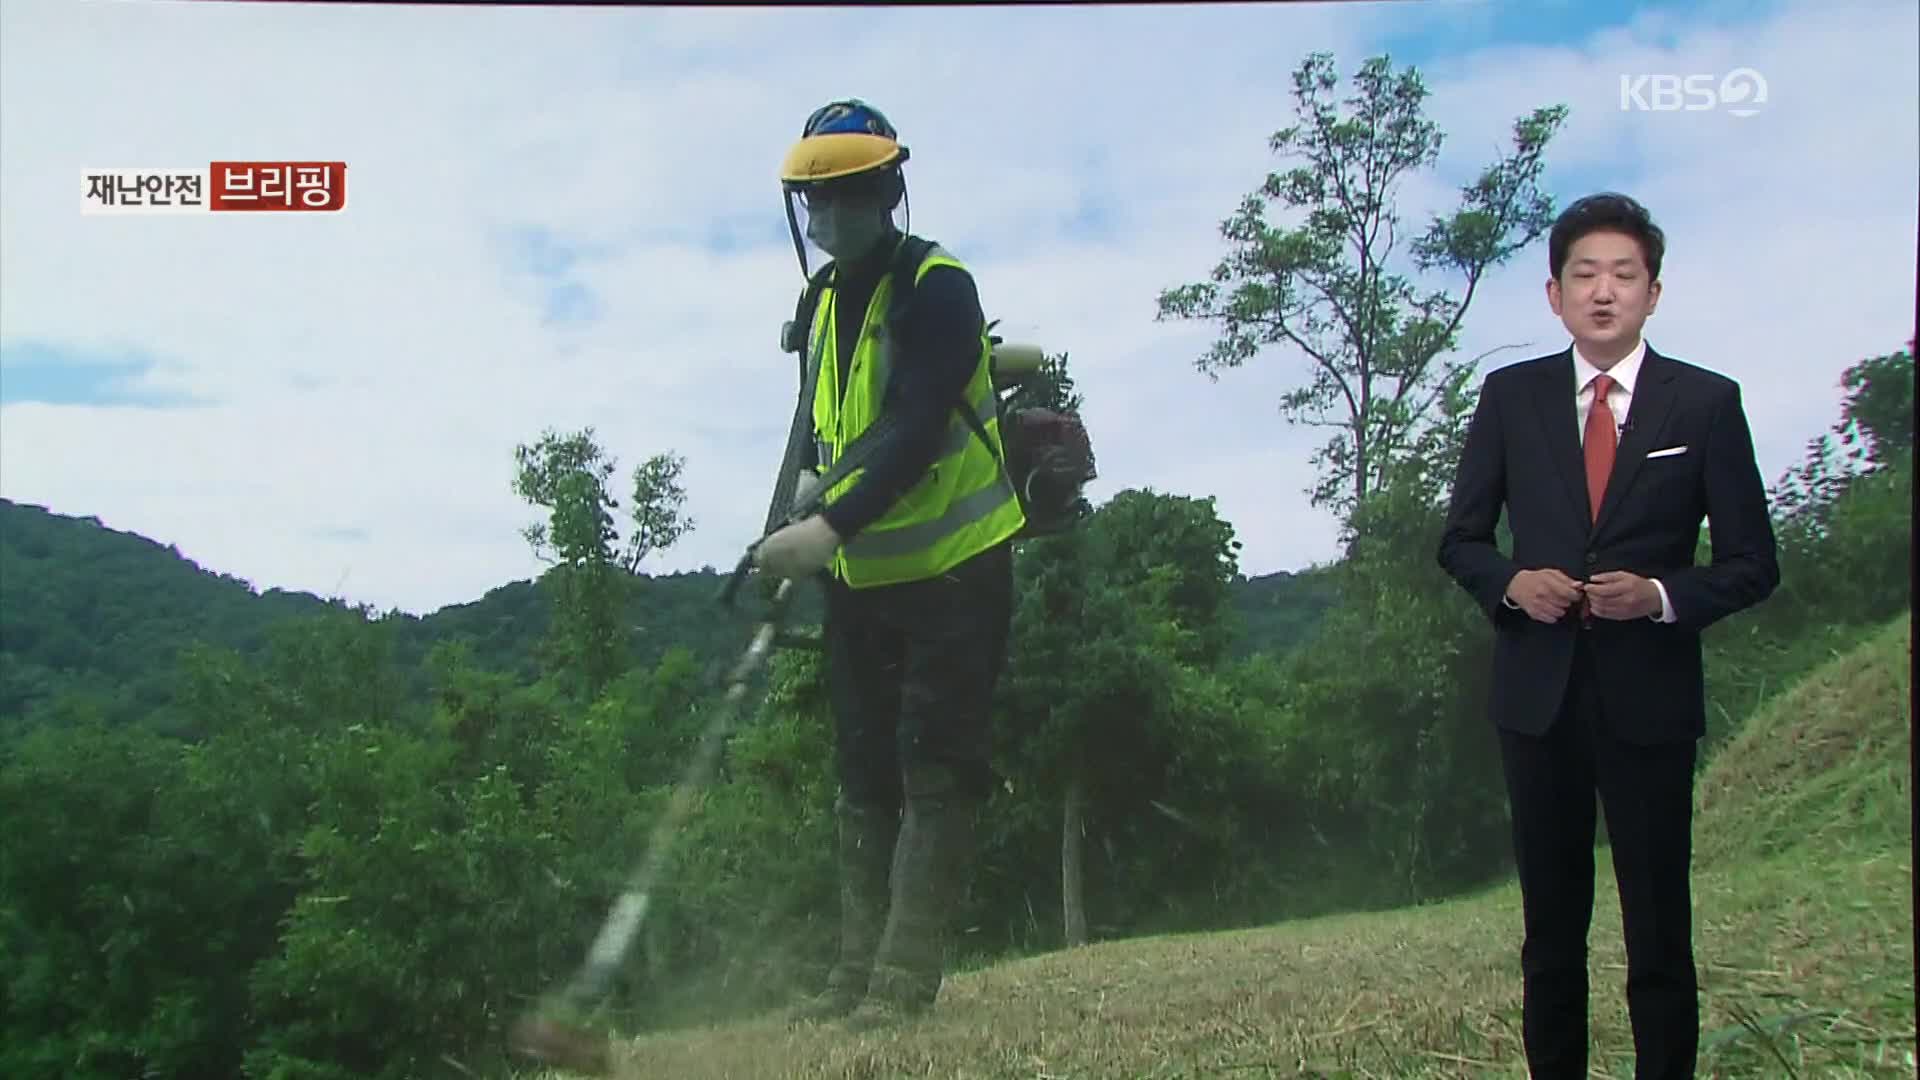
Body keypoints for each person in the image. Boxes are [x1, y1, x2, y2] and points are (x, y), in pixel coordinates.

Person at [1436, 192, 1779, 1078]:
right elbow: (1461, 540)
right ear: (1554, 294)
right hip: (1536, 701)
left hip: (1650, 701)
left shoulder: (1703, 405)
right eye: (1584, 274)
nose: (1603, 291)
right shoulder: (1510, 399)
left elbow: (1751, 563)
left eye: (1623, 275)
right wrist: (1514, 582)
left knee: (1659, 931)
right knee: (1552, 934)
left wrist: (1662, 595)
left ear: (1653, 293)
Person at [752, 98, 1026, 1030]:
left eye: (853, 192)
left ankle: (904, 981)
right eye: (817, 201)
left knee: (935, 767)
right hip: (863, 582)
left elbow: (911, 427)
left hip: (956, 570)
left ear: (889, 189)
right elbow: (836, 429)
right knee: (862, 769)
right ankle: (850, 976)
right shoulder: (819, 304)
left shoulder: (938, 286)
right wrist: (808, 498)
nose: (833, 216)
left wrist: (827, 526)